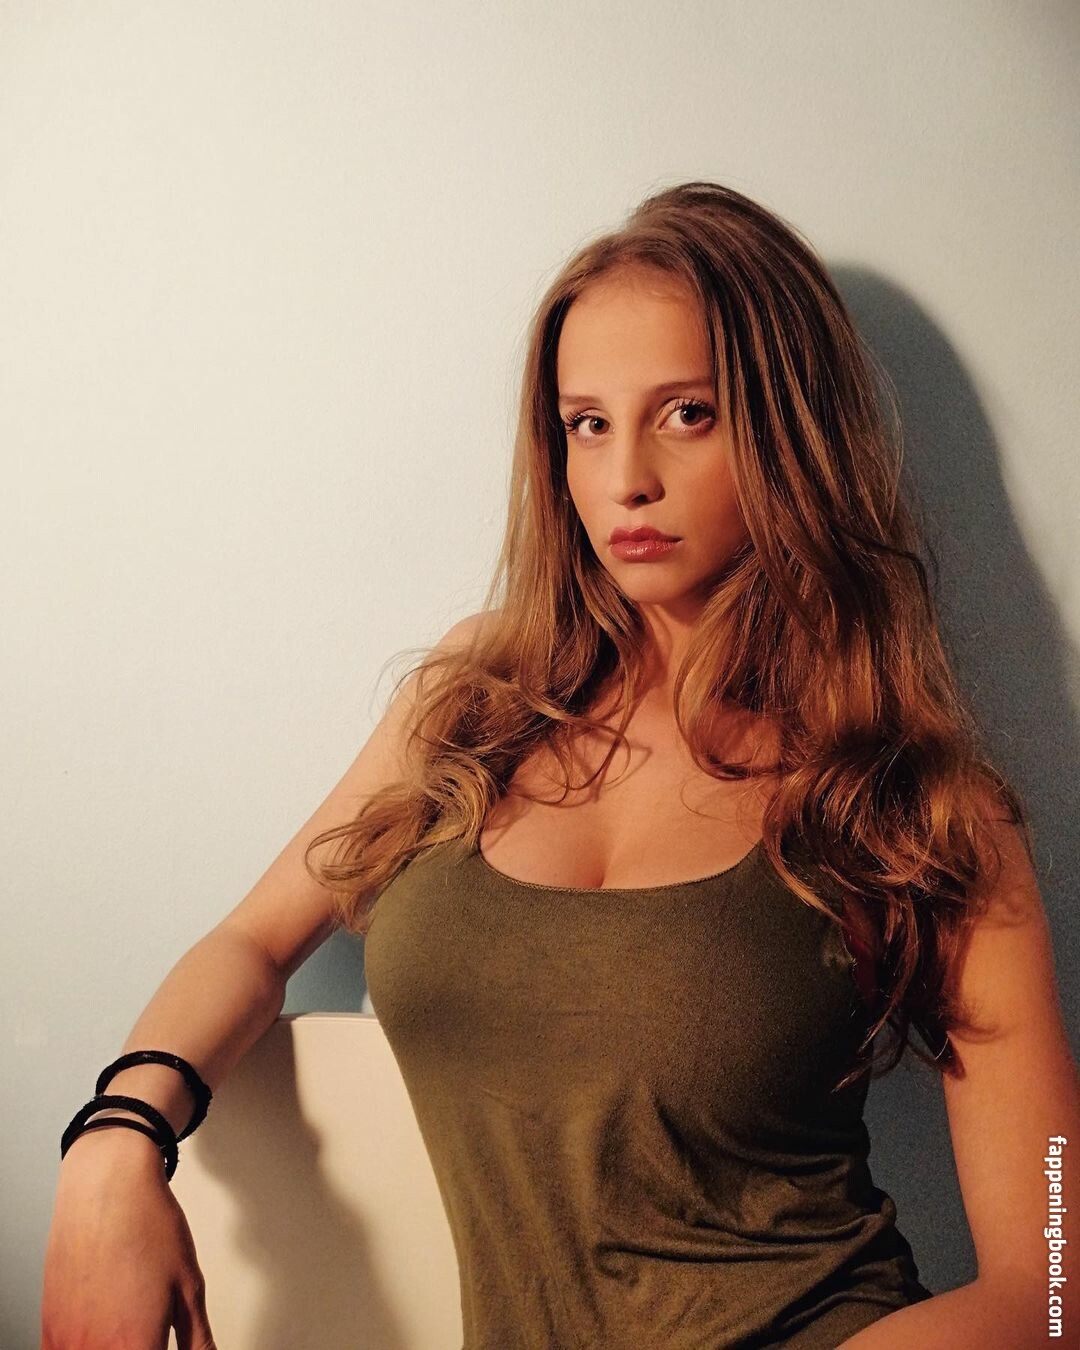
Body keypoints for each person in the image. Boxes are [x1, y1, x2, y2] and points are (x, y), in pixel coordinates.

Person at [41, 181, 1078, 1349]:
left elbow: (1054, 1289)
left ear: (788, 431)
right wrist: (115, 1145)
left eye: (687, 413)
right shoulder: (475, 704)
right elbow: (251, 943)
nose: (628, 475)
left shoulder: (919, 804)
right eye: (588, 423)